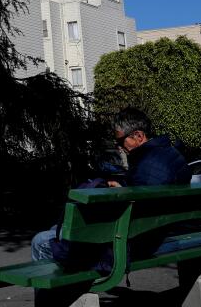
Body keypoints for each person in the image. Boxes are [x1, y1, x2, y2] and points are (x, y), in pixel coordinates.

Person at [31, 108, 189, 262]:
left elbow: (138, 213)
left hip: (132, 245)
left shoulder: (147, 164)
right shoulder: (171, 155)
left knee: (41, 241)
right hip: (155, 235)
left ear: (139, 136)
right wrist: (125, 189)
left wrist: (118, 195)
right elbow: (148, 197)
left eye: (121, 140)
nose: (118, 146)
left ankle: (62, 288)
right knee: (57, 229)